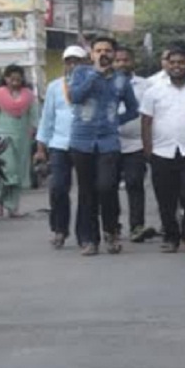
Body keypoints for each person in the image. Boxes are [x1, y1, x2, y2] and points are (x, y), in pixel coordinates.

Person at [68, 36, 139, 256]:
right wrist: (94, 75)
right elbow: (75, 97)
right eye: (98, 50)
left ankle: (111, 231)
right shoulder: (80, 73)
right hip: (82, 141)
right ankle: (90, 239)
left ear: (114, 54)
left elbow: (133, 109)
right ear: (92, 54)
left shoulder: (121, 80)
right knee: (87, 191)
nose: (103, 54)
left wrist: (115, 120)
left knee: (107, 187)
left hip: (108, 142)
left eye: (107, 50)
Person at [141, 45, 185, 254]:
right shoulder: (153, 92)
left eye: (180, 63)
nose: (176, 67)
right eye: (172, 63)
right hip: (161, 151)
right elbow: (146, 121)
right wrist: (148, 149)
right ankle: (171, 237)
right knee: (166, 198)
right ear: (166, 66)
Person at [36, 46, 86, 249]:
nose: (73, 65)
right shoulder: (55, 87)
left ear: (85, 64)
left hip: (84, 144)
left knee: (86, 192)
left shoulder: (93, 85)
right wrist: (41, 148)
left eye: (77, 61)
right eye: (69, 61)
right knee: (57, 188)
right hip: (59, 144)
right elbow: (47, 118)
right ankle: (59, 229)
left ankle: (85, 234)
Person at [0, 64, 39, 218]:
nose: (15, 83)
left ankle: (12, 207)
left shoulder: (28, 96)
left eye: (18, 80)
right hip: (3, 139)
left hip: (23, 139)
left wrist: (35, 131)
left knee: (19, 173)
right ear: (6, 79)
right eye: (12, 79)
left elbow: (34, 116)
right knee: (8, 171)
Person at [114, 47, 154, 243]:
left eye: (126, 60)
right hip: (110, 143)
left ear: (133, 62)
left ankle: (137, 226)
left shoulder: (145, 85)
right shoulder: (104, 83)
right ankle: (112, 226)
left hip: (136, 143)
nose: (122, 64)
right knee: (108, 186)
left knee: (134, 183)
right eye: (118, 60)